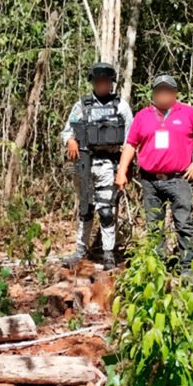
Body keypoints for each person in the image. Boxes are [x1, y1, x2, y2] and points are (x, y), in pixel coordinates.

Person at [115, 75, 193, 274]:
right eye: (159, 90)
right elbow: (131, 145)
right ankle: (157, 269)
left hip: (179, 179)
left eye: (167, 90)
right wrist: (121, 171)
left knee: (184, 225)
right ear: (153, 93)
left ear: (175, 93)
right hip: (150, 180)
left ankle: (187, 269)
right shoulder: (143, 116)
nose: (163, 94)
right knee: (154, 227)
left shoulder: (188, 113)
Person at [61, 62, 133, 270]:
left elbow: (131, 139)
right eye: (98, 81)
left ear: (111, 83)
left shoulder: (121, 107)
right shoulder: (81, 106)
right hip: (84, 163)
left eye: (106, 82)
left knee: (106, 211)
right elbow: (67, 131)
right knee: (85, 209)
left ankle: (109, 253)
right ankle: (80, 251)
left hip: (108, 164)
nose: (102, 85)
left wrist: (124, 169)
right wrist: (70, 141)